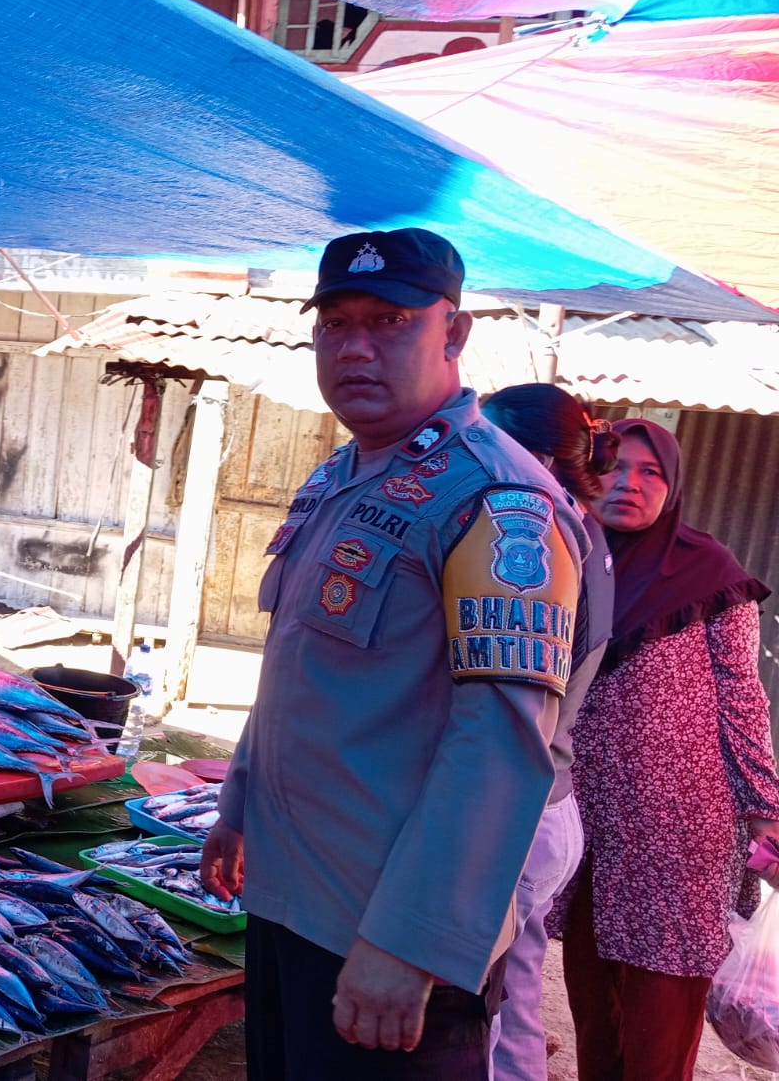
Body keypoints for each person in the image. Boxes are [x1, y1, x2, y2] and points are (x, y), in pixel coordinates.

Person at [200, 227, 587, 1079]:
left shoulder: (497, 499)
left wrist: (411, 945)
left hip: (378, 933)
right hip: (289, 898)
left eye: (390, 321)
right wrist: (237, 804)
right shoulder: (348, 473)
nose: (355, 347)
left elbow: (501, 743)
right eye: (335, 324)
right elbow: (296, 668)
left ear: (454, 333)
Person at [550, 417, 779, 1080]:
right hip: (587, 819)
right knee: (593, 1001)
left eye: (651, 472)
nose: (631, 484)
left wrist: (765, 808)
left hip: (679, 833)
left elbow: (742, 697)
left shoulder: (710, 574)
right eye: (617, 467)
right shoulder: (567, 560)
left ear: (673, 485)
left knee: (661, 1015)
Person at [479, 384, 619, 1080]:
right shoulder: (585, 533)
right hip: (552, 806)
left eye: (485, 441)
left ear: (533, 456)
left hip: (521, 809)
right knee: (516, 1003)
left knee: (476, 1011)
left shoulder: (537, 539)